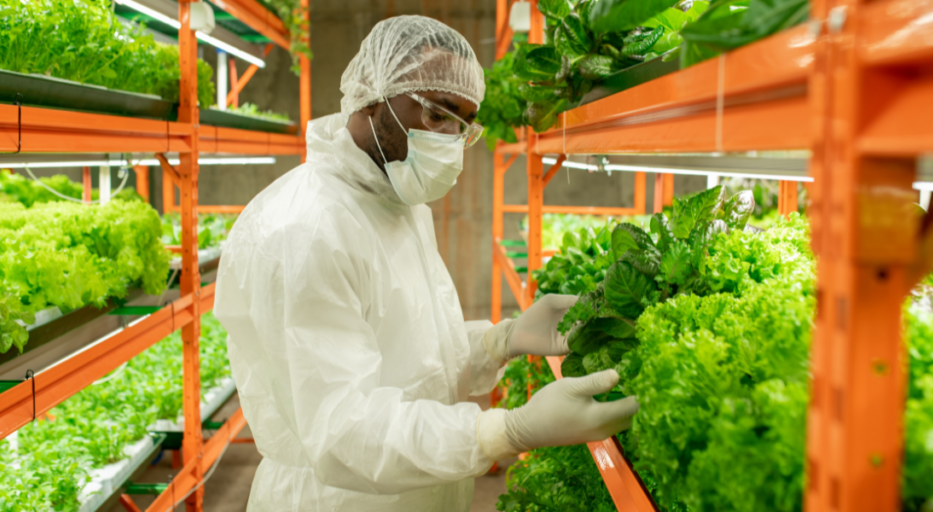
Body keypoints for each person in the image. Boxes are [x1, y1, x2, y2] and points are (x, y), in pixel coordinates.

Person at [213, 15, 639, 512]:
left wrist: (498, 341)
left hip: (417, 492)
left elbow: (410, 354)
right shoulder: (304, 230)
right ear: (374, 95)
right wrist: (505, 430)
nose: (451, 141)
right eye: (438, 114)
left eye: (463, 125)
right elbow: (342, 430)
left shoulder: (400, 201)